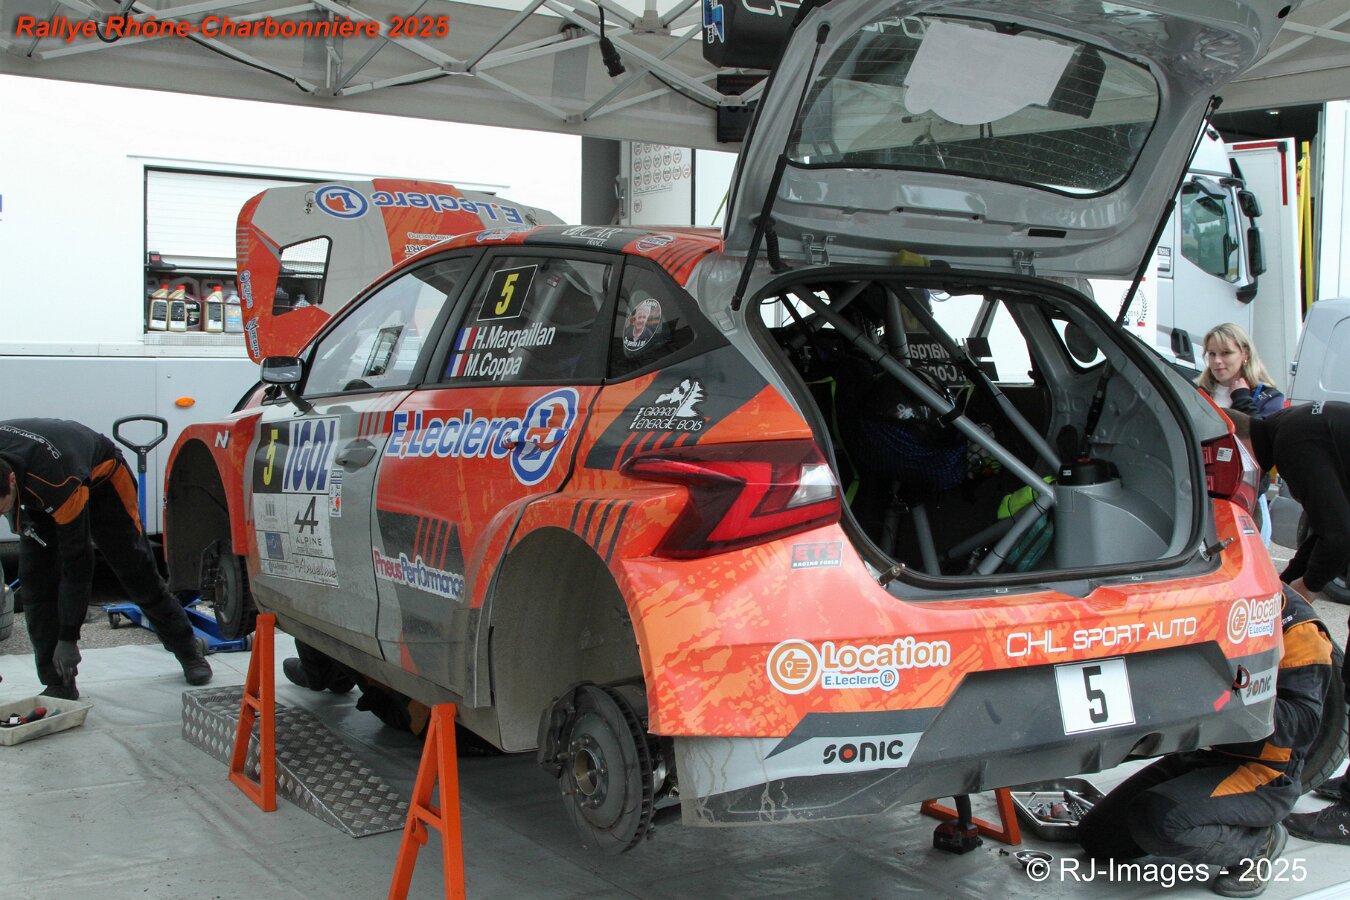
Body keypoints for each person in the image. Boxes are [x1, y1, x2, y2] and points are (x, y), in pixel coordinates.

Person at [1078, 587, 1333, 898]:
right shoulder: (1202, 600)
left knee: (1158, 819)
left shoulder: (1296, 626)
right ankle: (1199, 818)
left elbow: (1304, 726)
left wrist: (1225, 692)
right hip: (1203, 753)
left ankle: (1257, 846)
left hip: (1264, 771)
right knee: (1099, 837)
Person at [0, 418, 211, 700]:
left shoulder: (57, 480)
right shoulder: (20, 484)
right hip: (39, 484)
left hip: (102, 482)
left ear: (11, 481)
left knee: (135, 571)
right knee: (35, 582)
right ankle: (58, 682)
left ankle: (188, 650)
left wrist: (69, 637)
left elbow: (77, 563)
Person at [1229, 403, 1350, 845]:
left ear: (1238, 442)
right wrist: (1285, 588)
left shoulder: (1292, 439)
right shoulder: (1295, 426)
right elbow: (1322, 526)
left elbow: (1338, 534)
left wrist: (1308, 589)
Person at [1196, 323, 1286, 418]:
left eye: (1226, 353)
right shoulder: (1195, 390)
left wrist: (1242, 399)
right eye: (1212, 354)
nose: (1217, 360)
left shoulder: (1269, 396)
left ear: (1245, 354)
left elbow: (1263, 427)